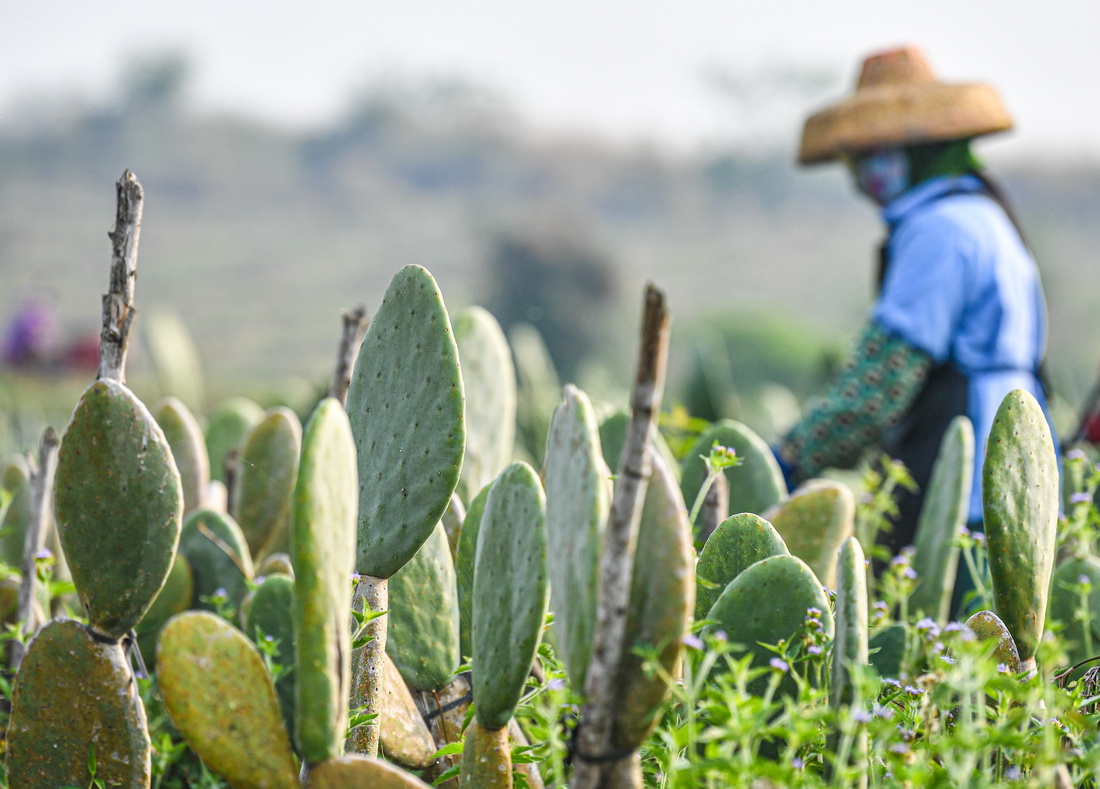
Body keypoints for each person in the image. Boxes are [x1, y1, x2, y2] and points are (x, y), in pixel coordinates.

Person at [774, 45, 1056, 561]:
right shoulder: (981, 211)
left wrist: (790, 456)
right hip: (1019, 465)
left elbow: (880, 380)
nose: (859, 173)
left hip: (966, 462)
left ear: (919, 150)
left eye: (874, 153)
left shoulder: (938, 231)